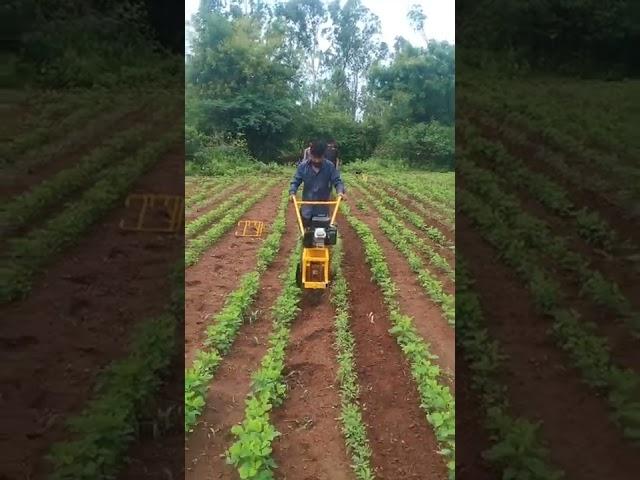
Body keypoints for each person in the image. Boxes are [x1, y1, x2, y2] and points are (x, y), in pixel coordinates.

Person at [289, 140, 346, 227]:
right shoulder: (303, 167)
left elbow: (337, 181)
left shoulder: (330, 167)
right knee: (306, 235)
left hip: (322, 209)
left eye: (319, 157)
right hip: (307, 209)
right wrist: (292, 192)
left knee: (323, 236)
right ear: (310, 154)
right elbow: (295, 181)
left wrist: (340, 192)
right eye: (314, 157)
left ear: (324, 155)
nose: (316, 160)